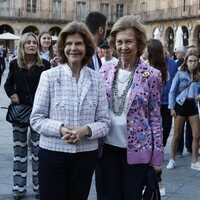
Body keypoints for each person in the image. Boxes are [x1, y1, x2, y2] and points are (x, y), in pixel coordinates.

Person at [30, 21, 110, 200]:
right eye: (69, 44)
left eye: (78, 43)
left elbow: (105, 122)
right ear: (62, 48)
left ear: (87, 47)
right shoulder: (49, 76)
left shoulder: (96, 79)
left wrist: (85, 130)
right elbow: (36, 118)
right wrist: (61, 128)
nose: (73, 48)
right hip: (52, 154)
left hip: (85, 155)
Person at [99, 15, 163, 200]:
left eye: (128, 42)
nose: (123, 47)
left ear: (139, 44)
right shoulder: (105, 71)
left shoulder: (151, 75)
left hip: (137, 150)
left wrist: (157, 158)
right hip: (107, 149)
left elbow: (155, 118)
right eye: (119, 42)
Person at [4, 32, 51, 200]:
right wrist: (12, 94)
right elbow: (8, 84)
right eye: (28, 42)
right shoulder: (15, 64)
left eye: (34, 42)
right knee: (19, 151)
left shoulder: (44, 64)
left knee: (39, 152)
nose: (32, 45)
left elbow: (50, 88)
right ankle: (18, 187)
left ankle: (40, 188)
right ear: (22, 45)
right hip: (19, 114)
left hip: (39, 115)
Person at [167, 52, 200, 171]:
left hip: (193, 106)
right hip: (181, 105)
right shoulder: (180, 74)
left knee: (197, 134)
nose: (193, 63)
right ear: (186, 62)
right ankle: (172, 159)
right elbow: (172, 91)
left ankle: (194, 161)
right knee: (176, 135)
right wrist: (171, 107)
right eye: (190, 61)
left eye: (195, 61)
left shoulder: (198, 75)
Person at [146, 39, 168, 197]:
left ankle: (157, 182)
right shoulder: (162, 69)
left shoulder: (152, 72)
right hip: (157, 114)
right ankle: (158, 181)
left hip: (150, 115)